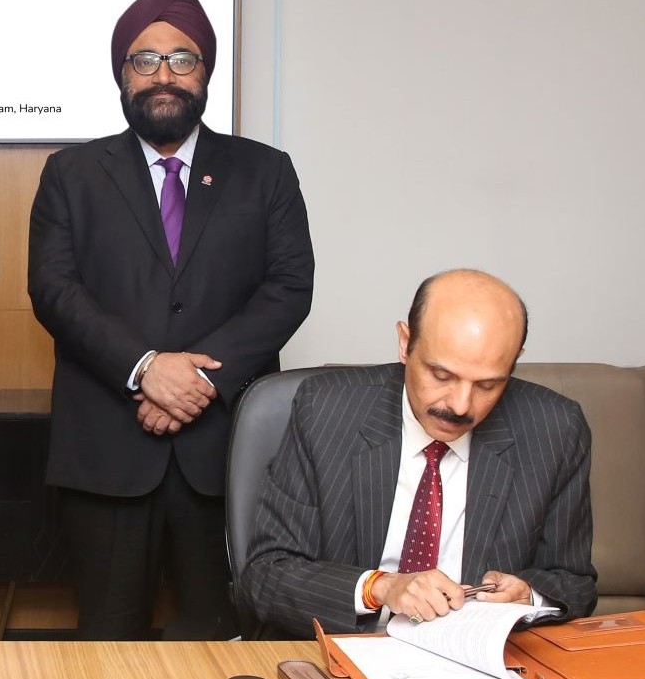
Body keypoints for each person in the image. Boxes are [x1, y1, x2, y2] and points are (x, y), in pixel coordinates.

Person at [27, 0, 315, 640]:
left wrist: (198, 380)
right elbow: (53, 288)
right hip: (107, 450)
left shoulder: (265, 171)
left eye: (182, 59)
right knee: (106, 649)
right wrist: (145, 368)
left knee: (225, 643)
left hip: (225, 454)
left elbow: (289, 287)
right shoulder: (71, 173)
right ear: (121, 74)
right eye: (145, 59)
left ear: (205, 71)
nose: (164, 75)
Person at [244, 269, 598, 638]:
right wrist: (381, 587)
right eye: (441, 376)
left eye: (488, 385)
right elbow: (267, 575)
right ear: (405, 342)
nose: (460, 406)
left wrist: (529, 597)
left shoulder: (556, 429)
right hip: (347, 647)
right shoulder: (325, 410)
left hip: (472, 656)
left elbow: (574, 583)